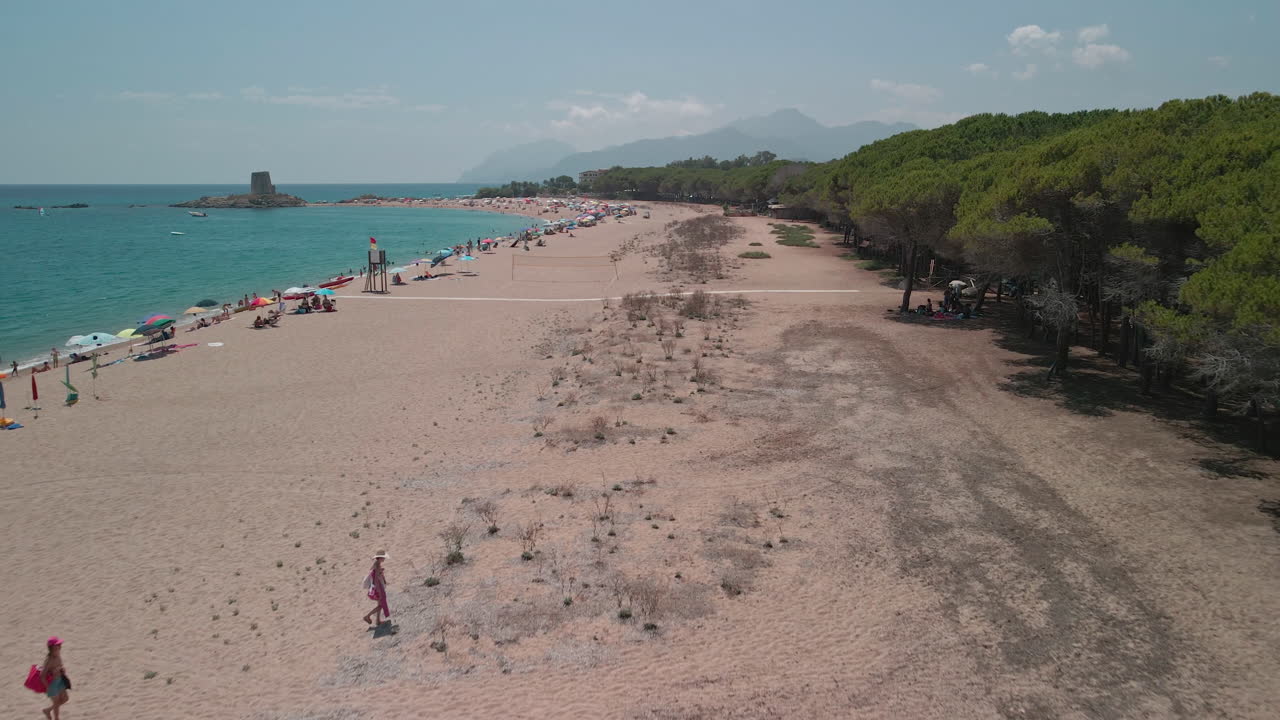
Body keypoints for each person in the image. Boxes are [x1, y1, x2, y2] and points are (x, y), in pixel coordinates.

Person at [40, 636, 70, 719]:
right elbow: (42, 676)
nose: (60, 647)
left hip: (59, 681)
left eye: (59, 645)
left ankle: (47, 710)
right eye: (57, 646)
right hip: (52, 684)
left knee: (65, 699)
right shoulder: (49, 660)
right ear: (51, 648)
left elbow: (60, 666)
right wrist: (48, 687)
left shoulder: (58, 655)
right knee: (56, 703)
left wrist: (62, 669)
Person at [363, 551, 390, 626]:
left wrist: (380, 571)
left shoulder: (376, 564)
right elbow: (376, 579)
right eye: (383, 557)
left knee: (379, 604)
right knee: (381, 605)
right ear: (380, 558)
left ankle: (378, 621)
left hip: (377, 586)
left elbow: (375, 573)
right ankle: (367, 616)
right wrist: (378, 590)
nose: (384, 558)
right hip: (378, 587)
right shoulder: (377, 565)